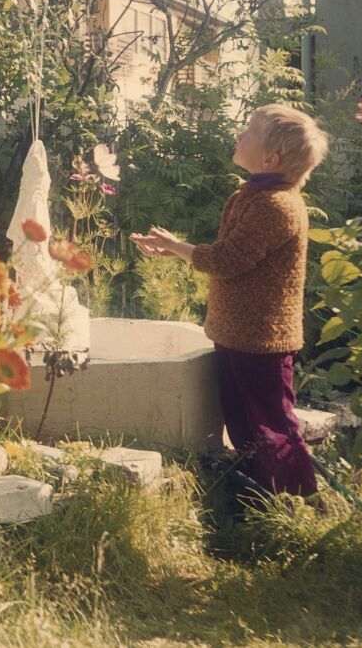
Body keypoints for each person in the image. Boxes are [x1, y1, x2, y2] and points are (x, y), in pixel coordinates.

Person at [131, 104, 329, 496]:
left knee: (273, 424)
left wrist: (178, 247)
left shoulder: (278, 206)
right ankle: (263, 495)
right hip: (239, 333)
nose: (239, 135)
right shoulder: (254, 196)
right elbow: (231, 255)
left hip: (262, 339)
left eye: (248, 133)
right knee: (243, 423)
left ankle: (301, 499)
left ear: (271, 158)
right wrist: (178, 250)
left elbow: (227, 260)